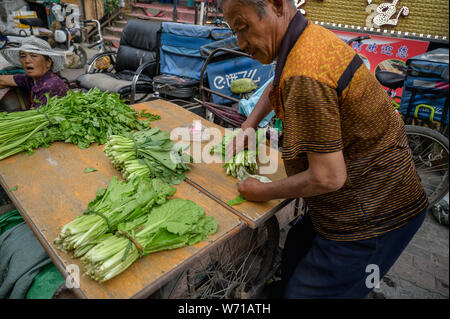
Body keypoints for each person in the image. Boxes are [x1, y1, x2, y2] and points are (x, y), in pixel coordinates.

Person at [221, 0, 429, 298]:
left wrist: (260, 190)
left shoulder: (306, 73)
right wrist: (249, 125)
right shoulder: (302, 39)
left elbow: (327, 178)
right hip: (349, 199)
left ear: (278, 6)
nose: (241, 43)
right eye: (234, 32)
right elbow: (276, 84)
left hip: (374, 214)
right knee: (296, 243)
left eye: (244, 28)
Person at [0, 36, 68, 109]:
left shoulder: (49, 85)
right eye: (23, 56)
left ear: (48, 62)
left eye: (34, 56)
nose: (27, 61)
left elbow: (39, 117)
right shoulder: (31, 79)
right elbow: (3, 80)